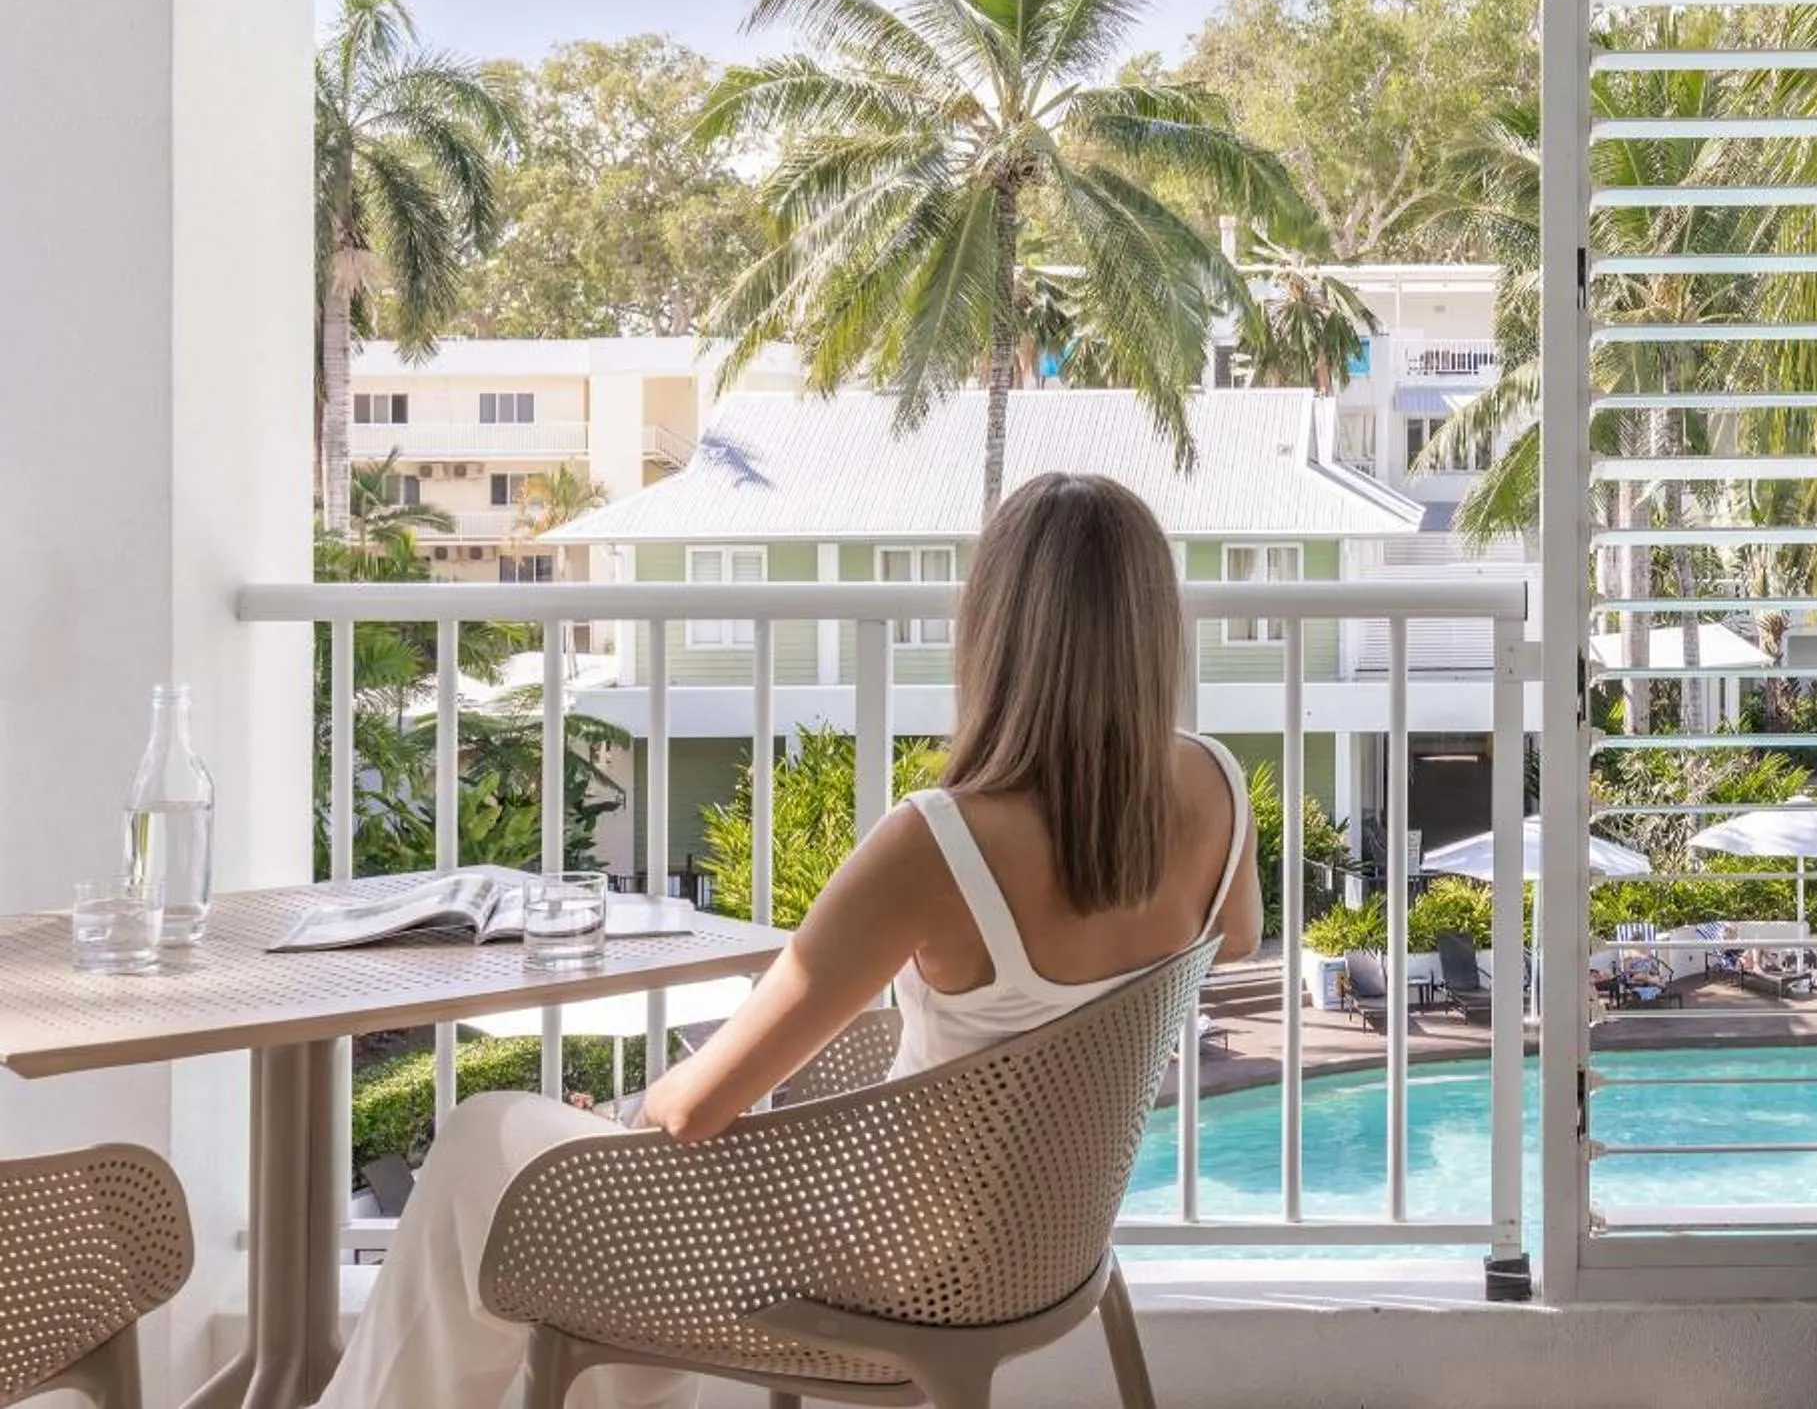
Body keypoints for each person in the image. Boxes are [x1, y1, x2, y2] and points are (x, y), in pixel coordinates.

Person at [316, 472, 1261, 1409]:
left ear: (995, 631)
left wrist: (624, 1118)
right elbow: (1237, 939)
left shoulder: (941, 842)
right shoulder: (1216, 787)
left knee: (490, 1133)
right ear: (1151, 630)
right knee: (619, 1206)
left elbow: (700, 1106)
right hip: (1039, 1246)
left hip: (898, 1267)